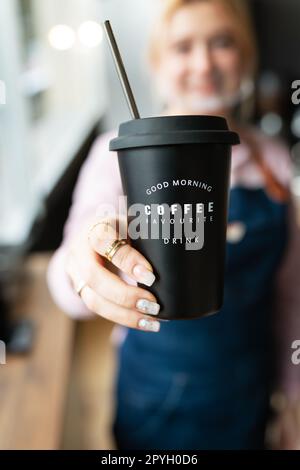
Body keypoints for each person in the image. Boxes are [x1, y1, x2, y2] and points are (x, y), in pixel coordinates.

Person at [47, 0, 300, 450]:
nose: (203, 63)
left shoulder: (274, 160)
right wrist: (84, 267)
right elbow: (67, 282)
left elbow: (290, 296)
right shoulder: (118, 157)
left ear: (244, 55)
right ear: (158, 62)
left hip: (248, 391)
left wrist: (295, 397)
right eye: (183, 47)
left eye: (221, 42)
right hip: (154, 399)